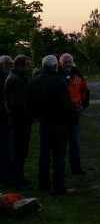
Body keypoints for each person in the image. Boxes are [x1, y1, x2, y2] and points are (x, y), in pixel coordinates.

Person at [27, 55, 77, 195]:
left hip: (44, 122)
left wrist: (37, 115)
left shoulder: (34, 81)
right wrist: (73, 116)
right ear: (55, 66)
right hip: (59, 123)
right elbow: (66, 103)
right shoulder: (59, 81)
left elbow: (29, 102)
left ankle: (43, 184)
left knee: (44, 154)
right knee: (59, 156)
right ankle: (59, 186)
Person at [4, 55, 34, 189]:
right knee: (19, 152)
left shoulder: (15, 77)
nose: (30, 67)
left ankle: (19, 177)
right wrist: (29, 115)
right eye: (28, 65)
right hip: (19, 122)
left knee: (20, 152)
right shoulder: (16, 80)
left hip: (18, 121)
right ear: (21, 65)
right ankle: (17, 180)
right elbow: (18, 104)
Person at [59, 53, 89, 176]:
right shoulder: (57, 76)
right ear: (60, 63)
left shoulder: (78, 75)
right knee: (61, 144)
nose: (67, 64)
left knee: (75, 143)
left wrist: (84, 104)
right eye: (65, 62)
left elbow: (85, 90)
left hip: (74, 114)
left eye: (69, 61)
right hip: (61, 114)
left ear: (72, 62)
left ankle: (76, 168)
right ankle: (60, 169)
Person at [0, 55, 12, 187]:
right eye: (7, 64)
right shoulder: (5, 78)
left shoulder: (7, 77)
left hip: (5, 117)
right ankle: (5, 175)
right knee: (5, 148)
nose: (9, 66)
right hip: (3, 118)